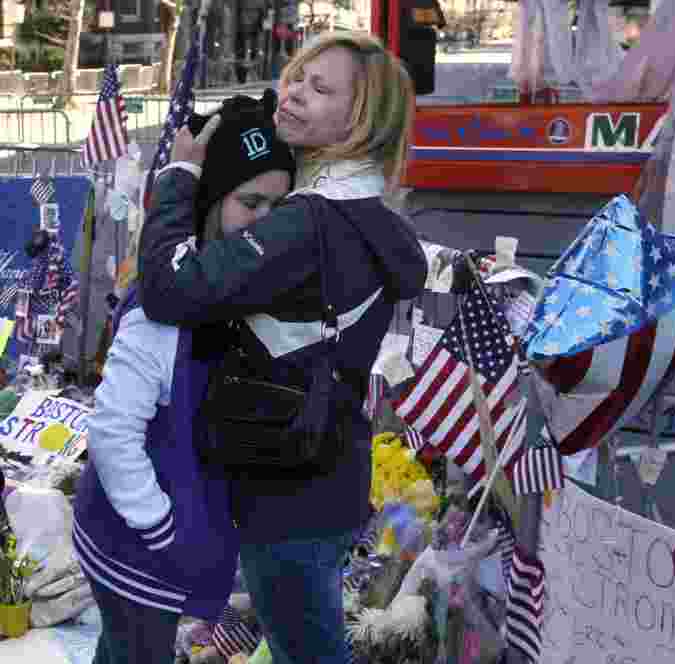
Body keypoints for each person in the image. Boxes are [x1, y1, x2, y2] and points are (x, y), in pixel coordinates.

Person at [137, 31, 428, 663]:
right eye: (297, 76)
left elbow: (168, 289)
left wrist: (180, 177)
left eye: (320, 89)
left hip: (284, 490)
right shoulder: (375, 216)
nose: (293, 92)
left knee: (308, 652)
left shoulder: (306, 223)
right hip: (329, 473)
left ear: (359, 120)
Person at [73, 95, 297, 664]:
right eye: (250, 202)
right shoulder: (165, 309)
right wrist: (160, 527)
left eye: (280, 204)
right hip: (137, 553)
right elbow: (112, 431)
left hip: (158, 543)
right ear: (212, 201)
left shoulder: (230, 284)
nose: (266, 221)